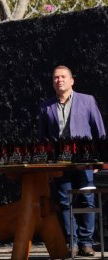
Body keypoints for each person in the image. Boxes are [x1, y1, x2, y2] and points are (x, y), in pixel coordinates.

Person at [38, 65, 106, 257]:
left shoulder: (87, 101)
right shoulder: (46, 107)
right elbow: (42, 139)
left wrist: (97, 162)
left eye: (63, 77)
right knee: (64, 201)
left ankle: (86, 242)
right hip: (59, 162)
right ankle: (72, 242)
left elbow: (99, 132)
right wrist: (47, 164)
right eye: (55, 78)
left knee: (87, 199)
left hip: (85, 161)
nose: (59, 80)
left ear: (71, 81)